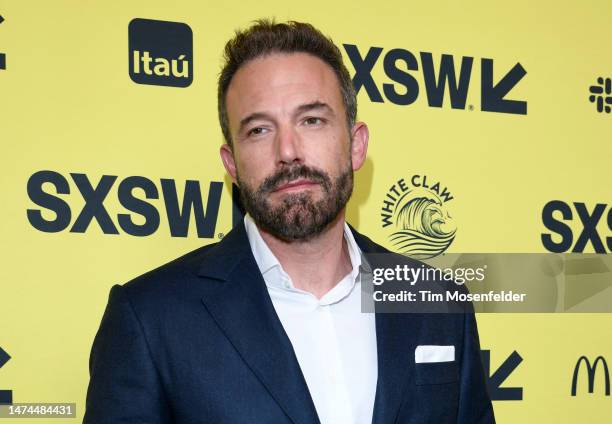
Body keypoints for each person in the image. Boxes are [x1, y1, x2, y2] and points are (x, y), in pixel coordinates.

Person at [84, 19, 495, 424]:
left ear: (355, 145)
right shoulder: (150, 318)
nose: (288, 150)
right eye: (260, 130)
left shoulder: (436, 301)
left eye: (311, 120)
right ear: (232, 163)